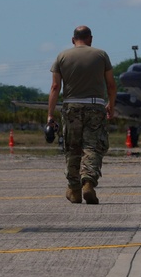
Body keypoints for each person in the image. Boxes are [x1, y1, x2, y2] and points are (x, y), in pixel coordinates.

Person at [47, 25, 117, 204]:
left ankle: (74, 189)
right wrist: (111, 105)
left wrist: (50, 115)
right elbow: (111, 85)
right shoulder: (101, 55)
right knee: (92, 147)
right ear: (90, 39)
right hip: (95, 107)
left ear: (73, 40)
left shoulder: (62, 57)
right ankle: (88, 183)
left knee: (72, 148)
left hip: (71, 107)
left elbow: (55, 87)